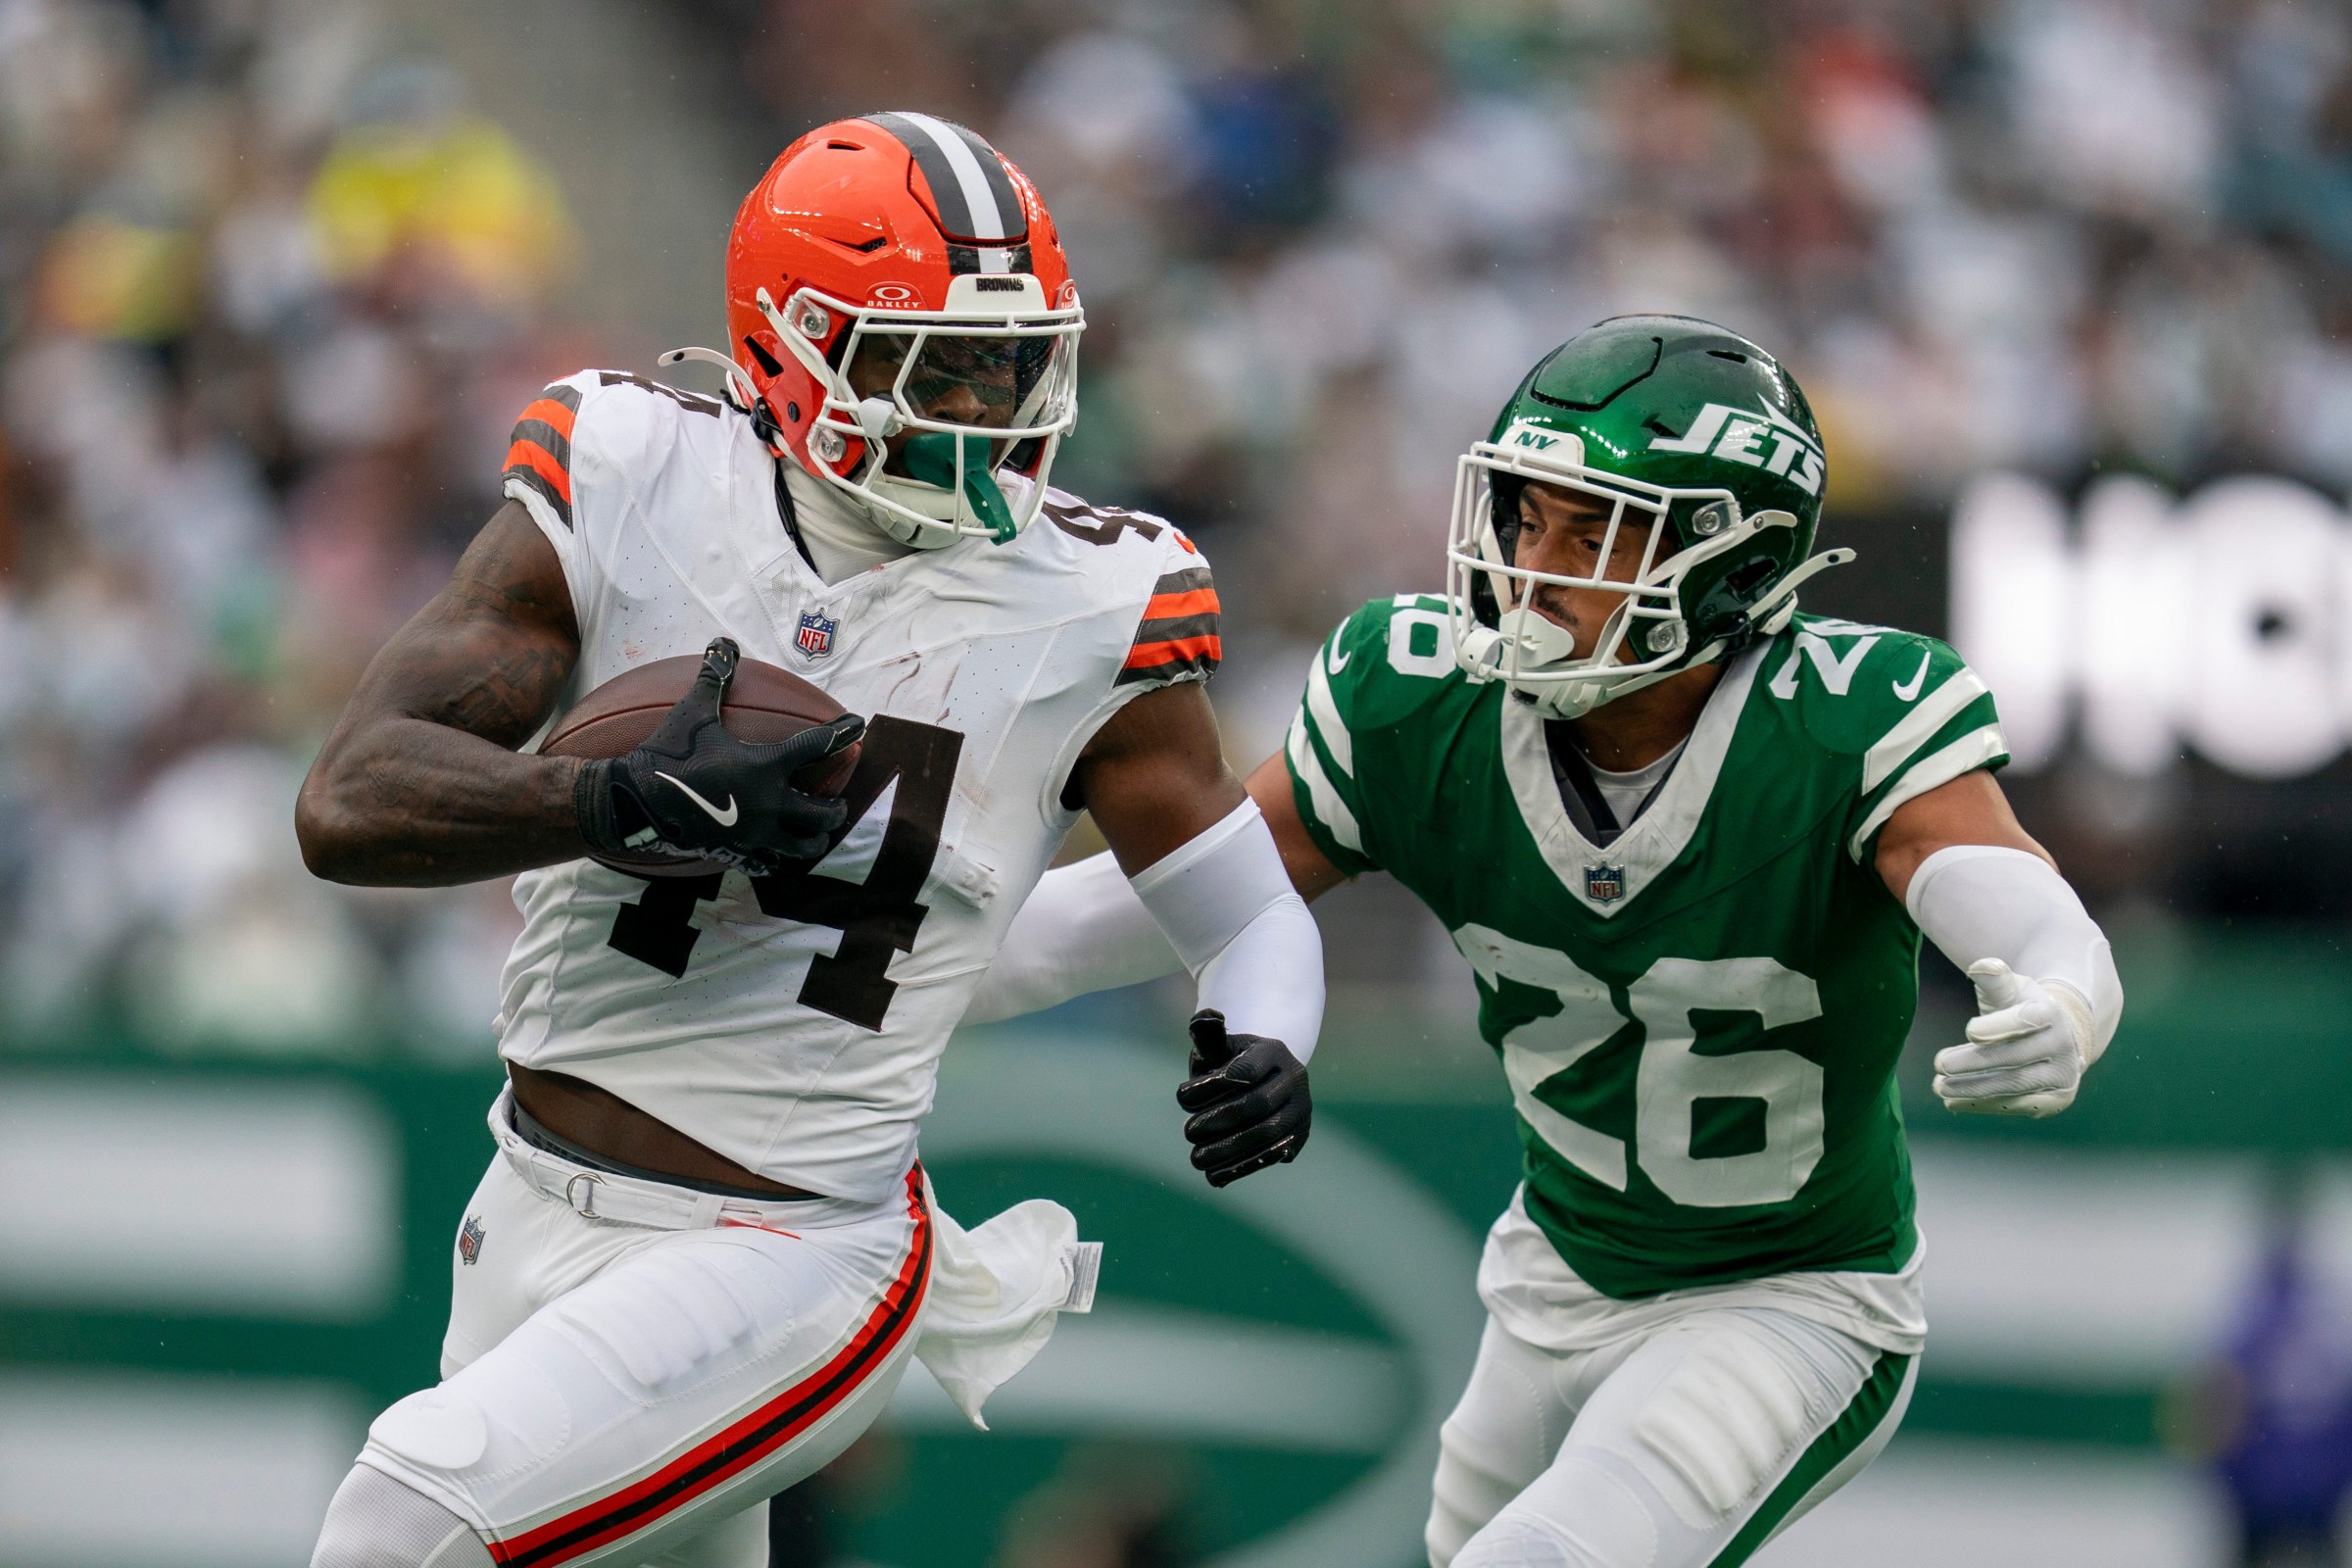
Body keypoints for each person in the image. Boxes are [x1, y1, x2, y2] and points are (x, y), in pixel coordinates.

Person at [293, 112, 1322, 1568]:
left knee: (401, 1522)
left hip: (793, 1246)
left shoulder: (1098, 603)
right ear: (789, 339)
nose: (987, 408)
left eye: (1013, 360)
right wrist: (612, 801)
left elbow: (1244, 910)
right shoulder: (635, 470)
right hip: (526, 1193)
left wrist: (1270, 1033)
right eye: (937, 363)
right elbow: (350, 802)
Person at [967, 316, 2125, 1567]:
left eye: (1595, 531)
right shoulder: (1422, 702)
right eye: (1528, 517)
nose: (1533, 563)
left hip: (1789, 1298)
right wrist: (867, 967)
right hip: (1552, 1275)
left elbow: (2004, 890)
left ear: (1728, 560)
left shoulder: (1840, 720)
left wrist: (2062, 996)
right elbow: (1156, 903)